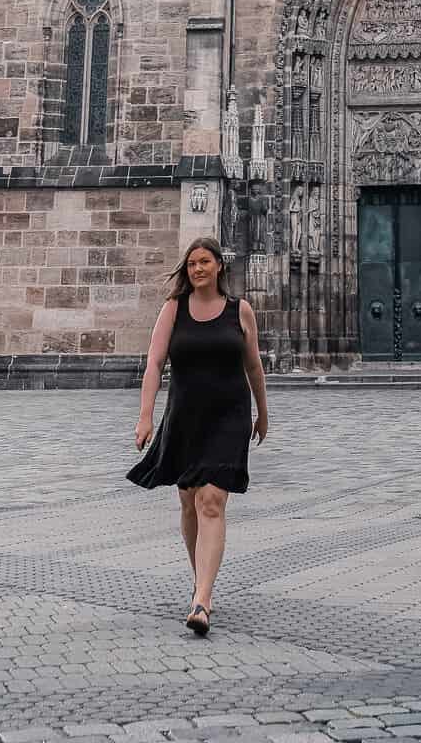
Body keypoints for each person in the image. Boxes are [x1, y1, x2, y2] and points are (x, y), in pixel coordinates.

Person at [127, 237, 268, 636]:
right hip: (186, 415)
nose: (197, 269)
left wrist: (263, 414)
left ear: (220, 266)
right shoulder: (173, 309)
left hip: (230, 414)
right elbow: (154, 364)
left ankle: (202, 601)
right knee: (189, 503)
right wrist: (145, 417)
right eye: (191, 263)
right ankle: (200, 582)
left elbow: (254, 367)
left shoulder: (240, 310)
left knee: (210, 500)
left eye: (204, 261)